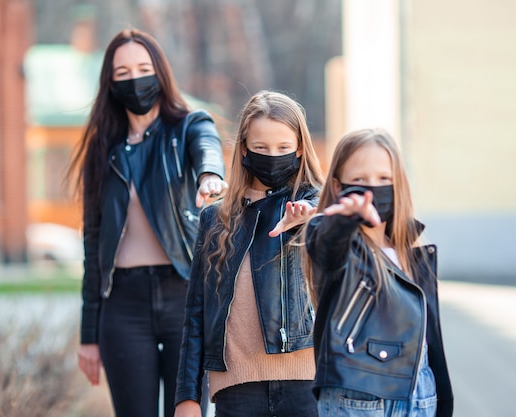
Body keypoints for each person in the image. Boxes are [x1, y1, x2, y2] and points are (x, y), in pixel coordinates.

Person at [68, 28, 227, 417]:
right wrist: (89, 335)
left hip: (185, 297)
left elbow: (207, 146)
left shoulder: (188, 126)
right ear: (109, 82)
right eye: (122, 73)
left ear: (160, 72)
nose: (134, 79)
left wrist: (209, 176)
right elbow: (93, 244)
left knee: (187, 412)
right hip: (123, 305)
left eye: (142, 68)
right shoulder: (103, 149)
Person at [174, 90, 324, 417]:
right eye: (260, 148)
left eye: (284, 148)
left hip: (306, 384)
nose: (273, 155)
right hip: (236, 390)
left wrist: (315, 216)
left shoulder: (318, 207)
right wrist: (187, 396)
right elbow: (196, 314)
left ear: (300, 149)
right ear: (243, 149)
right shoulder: (215, 220)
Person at [303, 128, 454, 416]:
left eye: (384, 179)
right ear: (338, 187)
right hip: (359, 395)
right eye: (359, 180)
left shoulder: (413, 254)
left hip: (420, 392)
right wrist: (345, 220)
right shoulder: (329, 235)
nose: (371, 190)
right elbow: (327, 245)